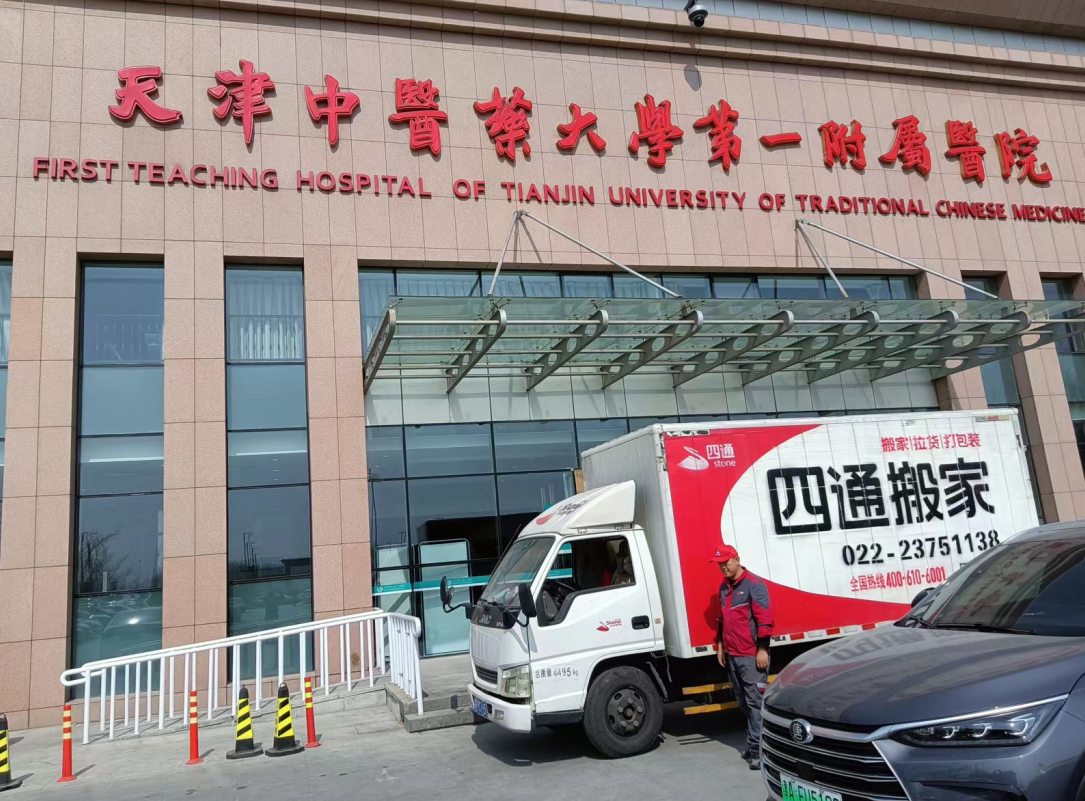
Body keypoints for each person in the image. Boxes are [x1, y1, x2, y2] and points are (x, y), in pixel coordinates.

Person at [711, 544, 773, 770]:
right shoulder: (724, 587)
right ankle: (754, 742)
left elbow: (765, 619)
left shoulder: (754, 585)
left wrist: (762, 649)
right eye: (719, 564)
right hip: (733, 655)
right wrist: (720, 645)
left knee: (756, 703)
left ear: (737, 560)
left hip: (751, 655)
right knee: (743, 702)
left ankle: (760, 750)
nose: (723, 567)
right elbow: (722, 619)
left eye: (726, 562)